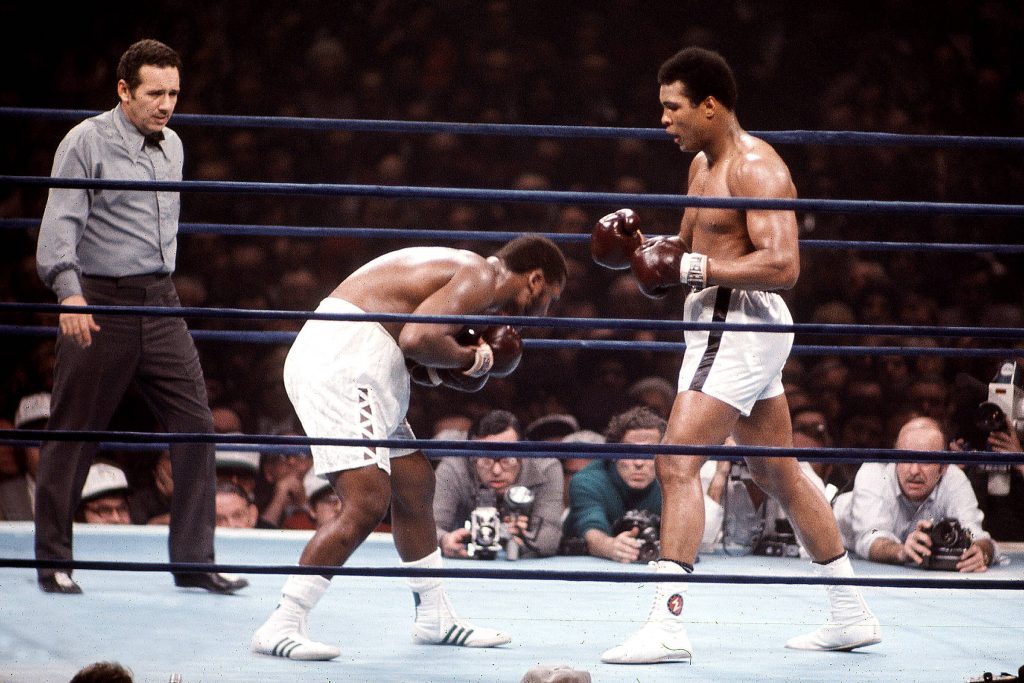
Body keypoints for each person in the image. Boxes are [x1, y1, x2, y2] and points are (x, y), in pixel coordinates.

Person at [591, 47, 879, 663]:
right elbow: (693, 249)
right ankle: (851, 613)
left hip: (737, 325)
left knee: (675, 464)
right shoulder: (701, 163)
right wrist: (645, 247)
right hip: (729, 325)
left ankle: (667, 628)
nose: (663, 120)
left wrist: (692, 265)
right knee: (779, 470)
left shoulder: (758, 169)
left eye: (673, 108)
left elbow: (783, 264)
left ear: (710, 105)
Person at [251, 235, 567, 660]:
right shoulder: (479, 275)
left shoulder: (465, 277)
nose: (544, 311)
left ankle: (435, 616)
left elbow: (413, 352)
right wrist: (479, 361)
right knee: (367, 501)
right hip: (346, 363)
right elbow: (418, 339)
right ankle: (283, 621)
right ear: (535, 279)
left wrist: (455, 367)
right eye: (549, 298)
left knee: (416, 483)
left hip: (372, 367)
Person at [32, 39, 243, 596]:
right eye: (155, 93)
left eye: (174, 93)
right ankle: (53, 560)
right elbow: (61, 225)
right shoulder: (85, 141)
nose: (166, 104)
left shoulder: (173, 145)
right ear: (124, 90)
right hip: (100, 300)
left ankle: (194, 561)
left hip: (161, 300)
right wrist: (69, 295)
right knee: (75, 428)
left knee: (197, 425)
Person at [834, 417, 998, 572]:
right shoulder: (873, 473)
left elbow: (977, 535)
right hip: (834, 550)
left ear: (944, 466)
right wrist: (902, 551)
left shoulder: (953, 478)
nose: (914, 471)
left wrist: (981, 552)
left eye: (925, 460)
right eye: (906, 458)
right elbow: (869, 538)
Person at [564, 407, 727, 562]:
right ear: (613, 455)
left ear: (663, 455)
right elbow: (591, 530)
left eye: (648, 453)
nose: (639, 462)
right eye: (630, 452)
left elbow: (696, 540)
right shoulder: (588, 481)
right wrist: (611, 546)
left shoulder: (675, 480)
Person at [434, 410, 563, 560]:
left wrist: (524, 538)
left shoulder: (546, 468)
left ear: (523, 455)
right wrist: (444, 540)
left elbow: (550, 538)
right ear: (471, 457)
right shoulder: (453, 467)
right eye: (485, 460)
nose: (496, 471)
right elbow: (430, 528)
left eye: (507, 460)